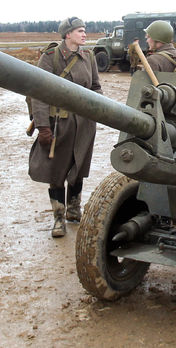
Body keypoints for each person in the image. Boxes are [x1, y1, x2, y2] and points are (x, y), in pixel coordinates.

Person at [28, 17, 102, 238]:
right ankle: (58, 217)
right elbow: (38, 92)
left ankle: (73, 209)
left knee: (79, 167)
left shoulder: (88, 57)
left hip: (85, 124)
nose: (84, 34)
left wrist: (98, 109)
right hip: (60, 123)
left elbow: (96, 87)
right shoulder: (50, 57)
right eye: (80, 30)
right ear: (67, 34)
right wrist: (43, 127)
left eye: (85, 30)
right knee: (57, 171)